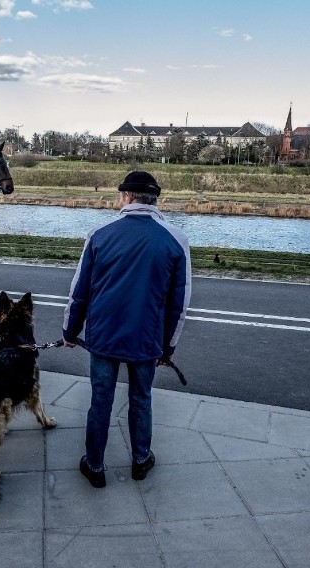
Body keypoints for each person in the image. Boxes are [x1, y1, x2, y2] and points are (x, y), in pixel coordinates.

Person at [62, 170, 192, 488]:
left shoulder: (99, 234)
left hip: (104, 336)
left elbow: (79, 290)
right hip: (146, 340)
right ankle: (140, 459)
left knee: (101, 400)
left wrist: (69, 331)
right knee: (141, 398)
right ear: (155, 199)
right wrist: (168, 346)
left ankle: (94, 466)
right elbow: (180, 301)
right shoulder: (176, 239)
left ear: (128, 197)